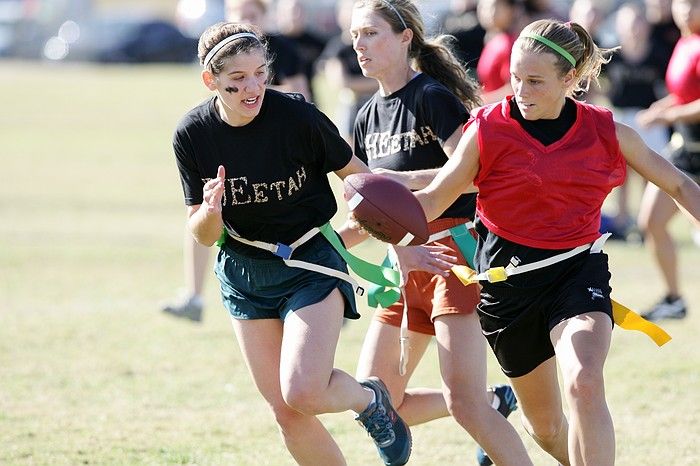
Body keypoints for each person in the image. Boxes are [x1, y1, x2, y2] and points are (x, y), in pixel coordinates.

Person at [412, 18, 700, 466]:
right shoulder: (486, 129)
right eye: (514, 78)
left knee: (584, 379)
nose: (520, 91)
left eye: (535, 81)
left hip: (575, 271)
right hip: (507, 288)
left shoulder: (607, 131)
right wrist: (379, 214)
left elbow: (680, 185)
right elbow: (433, 200)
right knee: (546, 428)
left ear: (570, 79)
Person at [173, 21, 412, 466]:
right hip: (244, 274)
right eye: (237, 80)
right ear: (211, 81)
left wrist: (403, 242)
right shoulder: (192, 134)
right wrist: (212, 211)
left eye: (260, 73)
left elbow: (363, 184)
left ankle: (368, 400)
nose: (253, 87)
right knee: (286, 412)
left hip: (311, 263)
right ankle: (370, 401)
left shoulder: (298, 117)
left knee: (301, 390)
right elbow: (203, 234)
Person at [343, 1, 531, 465]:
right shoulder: (366, 116)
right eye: (354, 36)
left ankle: (486, 412)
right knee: (381, 403)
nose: (360, 46)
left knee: (461, 402)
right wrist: (318, 245)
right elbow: (372, 211)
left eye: (371, 33)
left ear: (405, 37)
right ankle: (496, 402)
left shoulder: (432, 97)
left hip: (453, 257)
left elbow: (471, 175)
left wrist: (404, 182)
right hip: (400, 268)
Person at [162, 0, 312, 322]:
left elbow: (301, 98)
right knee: (205, 211)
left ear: (264, 18)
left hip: (279, 153)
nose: (245, 21)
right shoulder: (216, 71)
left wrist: (255, 90)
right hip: (233, 149)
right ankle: (194, 294)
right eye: (238, 15)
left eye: (252, 15)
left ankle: (317, 283)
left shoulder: (282, 49)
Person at [636, 0, 700, 321]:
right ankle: (674, 299)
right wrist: (659, 109)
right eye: (682, 4)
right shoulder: (684, 42)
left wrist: (669, 115)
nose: (687, 11)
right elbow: (685, 93)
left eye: (694, 5)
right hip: (683, 150)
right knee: (651, 220)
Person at [476, 0, 523, 103]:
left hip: (502, 113)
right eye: (483, 7)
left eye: (493, 7)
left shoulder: (511, 44)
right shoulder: (492, 41)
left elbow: (514, 89)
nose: (487, 12)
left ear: (511, 10)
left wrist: (479, 101)